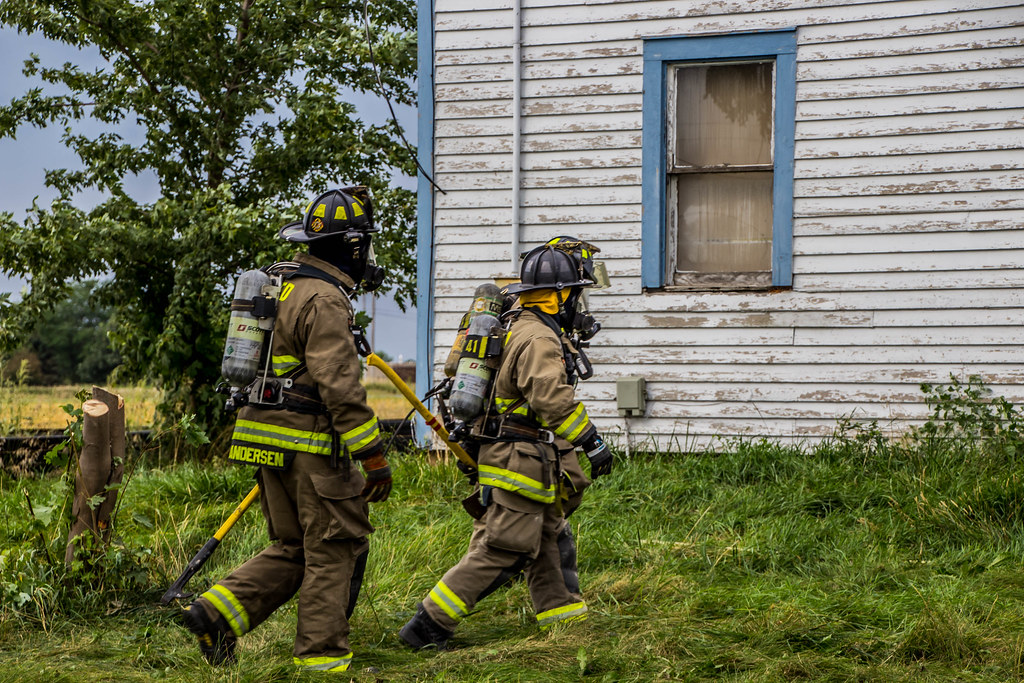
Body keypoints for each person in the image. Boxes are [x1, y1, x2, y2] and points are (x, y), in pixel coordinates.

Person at [181, 187, 393, 673]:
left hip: (263, 435)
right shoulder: (325, 298)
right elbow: (339, 385)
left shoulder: (282, 282)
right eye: (366, 247)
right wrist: (373, 456)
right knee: (334, 547)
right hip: (309, 444)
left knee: (294, 547)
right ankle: (321, 661)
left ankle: (216, 615)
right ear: (353, 247)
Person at [399, 240, 613, 650]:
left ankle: (562, 616)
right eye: (576, 293)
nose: (579, 303)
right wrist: (592, 441)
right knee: (504, 547)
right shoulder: (538, 339)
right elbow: (551, 398)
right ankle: (428, 627)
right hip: (518, 455)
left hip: (519, 452)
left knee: (550, 532)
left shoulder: (518, 324)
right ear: (559, 295)